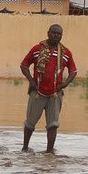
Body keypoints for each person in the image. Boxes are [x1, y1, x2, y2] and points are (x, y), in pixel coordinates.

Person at [19, 24, 78, 153]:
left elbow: (73, 71)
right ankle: (24, 148)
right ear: (48, 33)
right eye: (54, 33)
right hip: (38, 93)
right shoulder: (37, 49)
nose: (56, 35)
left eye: (59, 34)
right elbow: (24, 65)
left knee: (53, 125)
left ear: (61, 36)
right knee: (29, 123)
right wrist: (31, 81)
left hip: (55, 95)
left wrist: (65, 84)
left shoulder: (66, 53)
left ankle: (49, 152)